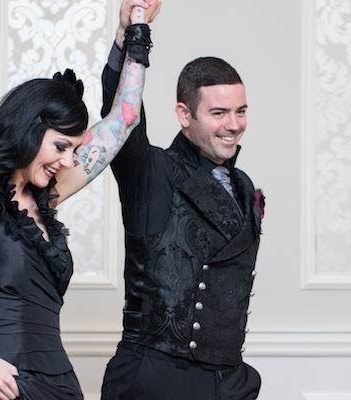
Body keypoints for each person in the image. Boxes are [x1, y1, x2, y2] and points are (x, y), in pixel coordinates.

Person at [0, 2, 159, 399]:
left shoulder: (46, 198)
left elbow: (123, 119)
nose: (68, 160)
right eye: (60, 146)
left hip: (60, 389)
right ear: (29, 130)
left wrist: (133, 34)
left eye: (74, 150)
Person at [99, 19, 264, 400]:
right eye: (219, 113)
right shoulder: (152, 172)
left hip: (228, 382)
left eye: (241, 111)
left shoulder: (242, 185)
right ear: (184, 115)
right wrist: (132, 36)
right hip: (156, 378)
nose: (234, 125)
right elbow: (122, 115)